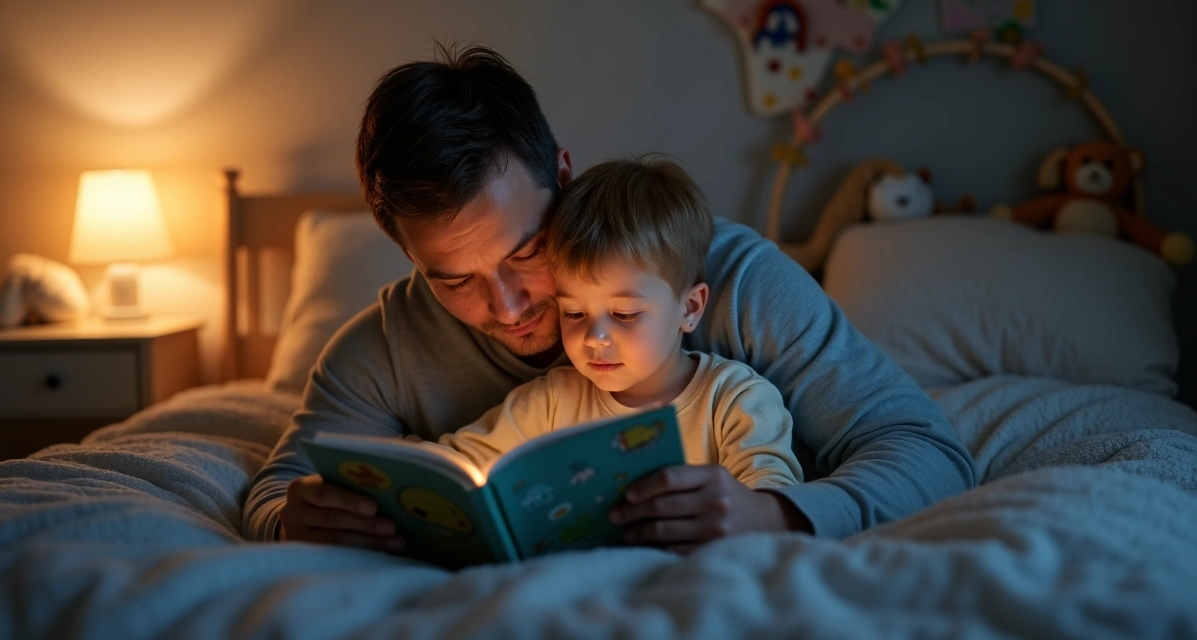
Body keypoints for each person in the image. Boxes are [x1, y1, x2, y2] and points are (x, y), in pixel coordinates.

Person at [243, 43, 976, 553]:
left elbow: (929, 450)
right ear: (407, 254)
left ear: (563, 172)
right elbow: (275, 489)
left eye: (524, 250)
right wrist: (293, 517)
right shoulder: (382, 346)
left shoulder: (734, 278)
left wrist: (777, 512)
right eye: (454, 279)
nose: (506, 306)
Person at [435, 157, 804, 537]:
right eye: (574, 313)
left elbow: (772, 500)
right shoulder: (549, 404)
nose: (595, 337)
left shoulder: (734, 401)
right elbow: (453, 464)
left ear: (689, 308)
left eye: (625, 314)